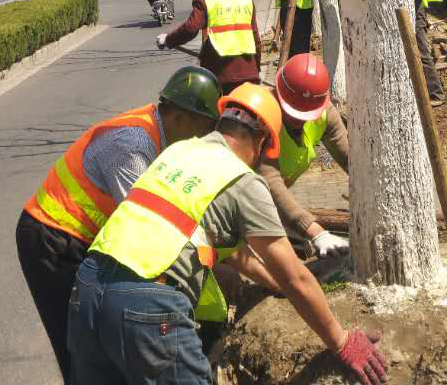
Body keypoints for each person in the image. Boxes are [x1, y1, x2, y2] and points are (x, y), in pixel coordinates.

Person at [68, 82, 389, 385]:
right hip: (148, 304)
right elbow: (296, 278)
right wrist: (342, 341)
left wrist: (270, 283)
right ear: (262, 141)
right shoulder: (241, 181)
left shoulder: (178, 154)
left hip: (87, 291)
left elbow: (229, 250)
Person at [16, 65, 221, 384]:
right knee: (79, 343)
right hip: (51, 238)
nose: (203, 138)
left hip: (80, 240)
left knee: (100, 340)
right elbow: (151, 222)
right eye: (203, 127)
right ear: (180, 115)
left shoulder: (161, 135)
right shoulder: (132, 146)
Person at [258, 53, 350, 257]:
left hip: (270, 204)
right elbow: (269, 180)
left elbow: (350, 160)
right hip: (242, 202)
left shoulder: (324, 114)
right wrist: (315, 231)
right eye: (293, 111)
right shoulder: (261, 116)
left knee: (299, 250)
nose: (299, 119)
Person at [156, 0, 261, 88]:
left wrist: (168, 39)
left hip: (220, 76)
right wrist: (256, 68)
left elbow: (190, 28)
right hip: (249, 73)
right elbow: (256, 38)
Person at [407, 0, 446, 106]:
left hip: (415, 12)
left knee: (422, 53)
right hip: (412, 12)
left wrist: (411, 11)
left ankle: (436, 94)